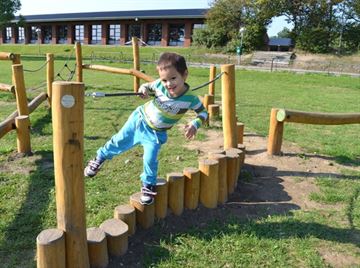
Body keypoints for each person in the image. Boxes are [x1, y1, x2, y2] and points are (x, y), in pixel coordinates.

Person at [84, 52, 208, 205]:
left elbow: (203, 112)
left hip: (156, 134)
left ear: (185, 75)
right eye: (164, 80)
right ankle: (100, 158)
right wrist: (143, 89)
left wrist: (195, 124)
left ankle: (148, 185)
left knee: (150, 159)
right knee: (119, 140)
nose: (168, 84)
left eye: (173, 78)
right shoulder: (158, 85)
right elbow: (147, 86)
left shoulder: (191, 99)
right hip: (139, 119)